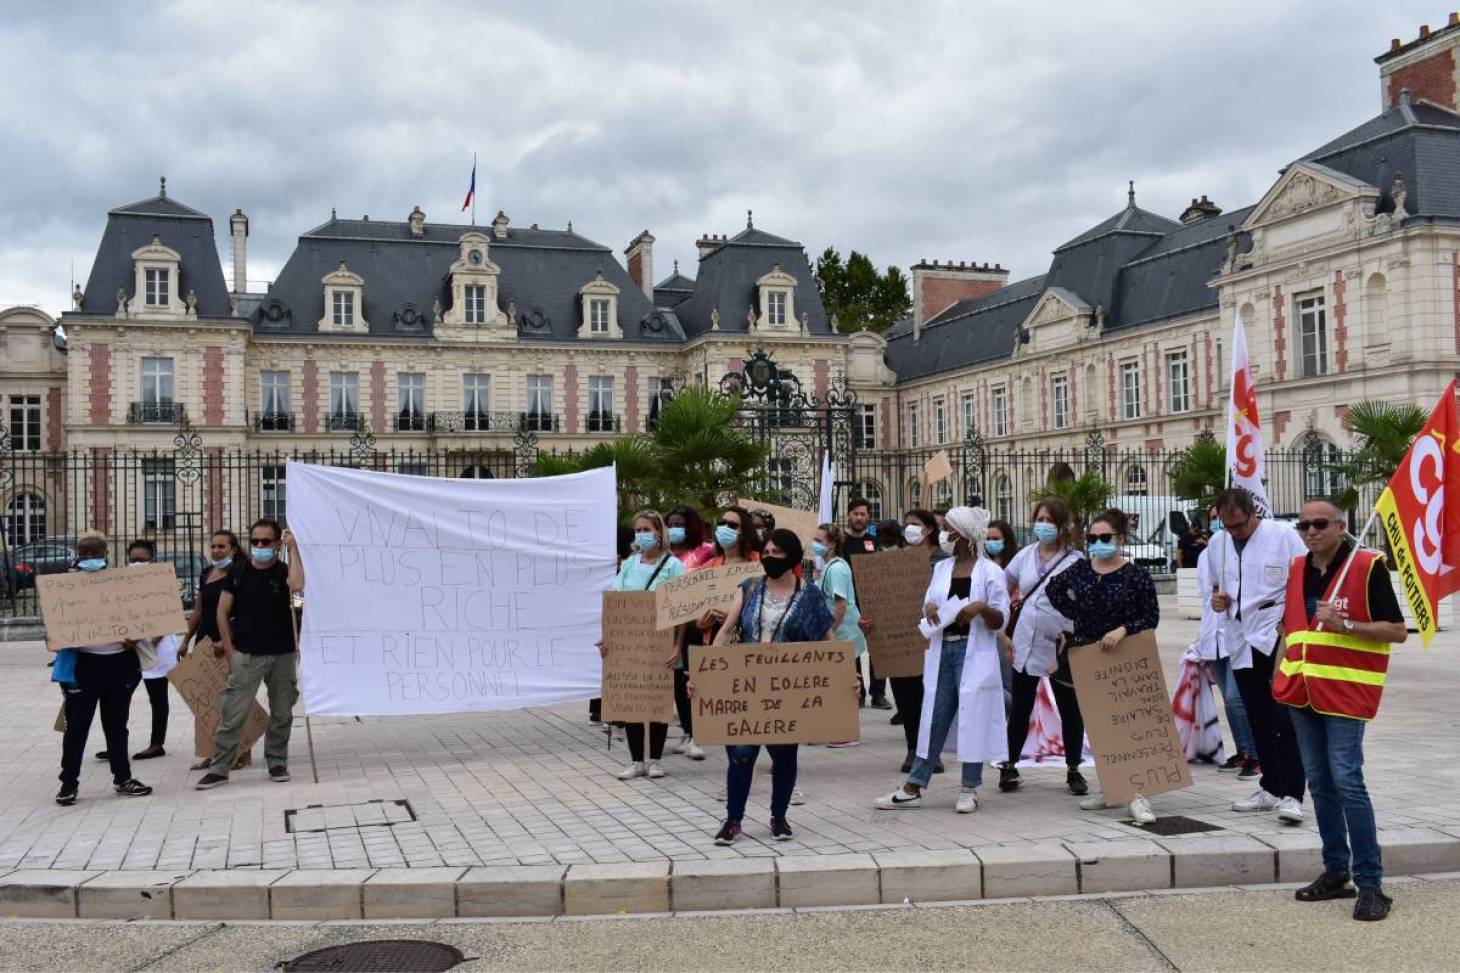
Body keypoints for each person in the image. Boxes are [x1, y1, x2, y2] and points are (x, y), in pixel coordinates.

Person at [1272, 500, 1407, 921]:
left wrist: (1344, 625)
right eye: (1303, 524)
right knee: (1319, 781)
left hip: (1346, 693)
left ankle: (1371, 883)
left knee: (1347, 780)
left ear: (1340, 526)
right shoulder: (1298, 568)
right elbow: (1289, 626)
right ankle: (1335, 872)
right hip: (1303, 691)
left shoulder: (1367, 567)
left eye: (1320, 524)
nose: (1311, 531)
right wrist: (1278, 676)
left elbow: (1397, 631)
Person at [874, 506, 1008, 814]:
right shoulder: (942, 568)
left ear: (963, 534)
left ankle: (969, 787)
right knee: (934, 716)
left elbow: (1000, 619)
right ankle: (914, 785)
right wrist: (930, 609)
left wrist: (980, 608)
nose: (943, 533)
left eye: (948, 528)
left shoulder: (990, 572)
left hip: (972, 650)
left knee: (972, 715)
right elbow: (929, 603)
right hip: (943, 648)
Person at [708, 528, 838, 845]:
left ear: (791, 556)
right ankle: (733, 820)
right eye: (765, 552)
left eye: (776, 552)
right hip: (746, 686)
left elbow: (826, 639)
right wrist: (706, 672)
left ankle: (779, 817)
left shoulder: (809, 595)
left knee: (784, 756)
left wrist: (845, 675)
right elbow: (726, 631)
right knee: (740, 754)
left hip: (787, 690)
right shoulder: (749, 588)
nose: (769, 557)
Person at [1046, 507, 1160, 824]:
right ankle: (1111, 787)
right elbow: (1053, 589)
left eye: (1104, 537)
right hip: (1087, 653)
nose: (1098, 543)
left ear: (1120, 538)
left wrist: (1123, 629)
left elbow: (1151, 616)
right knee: (1098, 728)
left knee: (1125, 727)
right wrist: (1076, 614)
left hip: (1122, 657)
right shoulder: (1082, 570)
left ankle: (1137, 794)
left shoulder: (1135, 575)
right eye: (1093, 538)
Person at [1208, 487, 1309, 823]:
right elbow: (1215, 586)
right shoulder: (1218, 544)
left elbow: (1302, 582)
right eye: (1229, 526)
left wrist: (1290, 624)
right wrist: (1216, 600)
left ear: (1254, 514)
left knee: (1283, 717)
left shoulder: (1282, 536)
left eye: (1240, 525)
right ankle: (1271, 786)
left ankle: (1293, 792)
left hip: (1274, 635)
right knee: (1257, 716)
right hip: (1240, 638)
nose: (1236, 532)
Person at [194, 518, 305, 790]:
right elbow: (222, 611)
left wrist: (294, 551)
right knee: (233, 712)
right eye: (255, 541)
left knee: (282, 712)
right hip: (246, 654)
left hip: (282, 654)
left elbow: (299, 588)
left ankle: (277, 761)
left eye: (266, 542)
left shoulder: (284, 571)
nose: (259, 546)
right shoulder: (238, 572)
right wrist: (229, 648)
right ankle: (220, 767)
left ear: (277, 544)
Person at [55, 533, 154, 805]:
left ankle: (123, 778)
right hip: (83, 667)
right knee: (76, 728)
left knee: (117, 726)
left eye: (96, 553)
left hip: (119, 663)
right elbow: (54, 627)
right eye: (85, 554)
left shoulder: (120, 584)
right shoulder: (64, 587)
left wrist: (135, 636)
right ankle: (68, 784)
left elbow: (141, 616)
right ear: (78, 555)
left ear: (106, 555)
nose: (90, 559)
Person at [1000, 499, 1085, 795]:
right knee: (1021, 706)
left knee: (1070, 708)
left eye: (1050, 519)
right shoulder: (1024, 556)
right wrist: (1002, 632)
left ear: (1062, 525)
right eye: (1040, 518)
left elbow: (1086, 602)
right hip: (1026, 641)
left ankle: (1073, 768)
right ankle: (1009, 765)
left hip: (1062, 644)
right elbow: (1002, 587)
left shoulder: (1076, 561)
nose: (1044, 524)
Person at [601, 510, 685, 780]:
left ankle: (656, 760)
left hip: (661, 642)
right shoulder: (628, 564)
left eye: (647, 529)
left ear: (659, 533)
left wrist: (677, 646)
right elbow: (616, 603)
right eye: (638, 530)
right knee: (633, 700)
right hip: (630, 643)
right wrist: (608, 637)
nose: (641, 535)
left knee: (658, 699)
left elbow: (681, 610)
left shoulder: (673, 566)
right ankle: (637, 760)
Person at [676, 507, 763, 760]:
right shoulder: (710, 566)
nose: (725, 528)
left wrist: (738, 614)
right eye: (722, 522)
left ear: (744, 531)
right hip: (718, 645)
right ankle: (737, 767)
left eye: (732, 525)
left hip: (751, 646)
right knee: (728, 711)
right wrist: (700, 623)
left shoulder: (758, 563)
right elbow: (695, 612)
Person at [1195, 506, 1258, 776]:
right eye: (1214, 520)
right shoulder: (1206, 554)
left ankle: (1257, 753)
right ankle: (1243, 751)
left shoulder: (1246, 554)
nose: (1218, 526)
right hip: (1212, 637)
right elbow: (1205, 594)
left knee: (1237, 697)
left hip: (1238, 635)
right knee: (1228, 699)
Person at [103, 539, 179, 762]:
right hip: (129, 650)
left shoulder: (162, 584)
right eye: (134, 560)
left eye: (142, 560)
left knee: (157, 698)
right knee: (119, 698)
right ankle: (116, 744)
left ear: (152, 560)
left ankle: (157, 743)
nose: (137, 564)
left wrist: (147, 645)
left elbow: (166, 620)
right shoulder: (123, 585)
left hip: (156, 650)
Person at [881, 509, 942, 759]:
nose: (909, 529)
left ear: (928, 529)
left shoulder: (942, 560)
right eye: (906, 524)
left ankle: (931, 751)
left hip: (932, 637)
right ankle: (912, 748)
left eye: (915, 524)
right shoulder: (897, 559)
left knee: (929, 696)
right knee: (905, 697)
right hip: (901, 637)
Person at [183, 529, 244, 770]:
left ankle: (239, 753)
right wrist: (185, 639)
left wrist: (227, 642)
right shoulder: (206, 573)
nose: (217, 551)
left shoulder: (240, 574)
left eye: (222, 547)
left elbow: (246, 613)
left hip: (227, 644)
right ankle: (211, 752)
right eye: (214, 547)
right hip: (204, 642)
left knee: (231, 702)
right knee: (205, 702)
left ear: (234, 550)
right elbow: (198, 610)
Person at [813, 523, 867, 748]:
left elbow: (841, 604)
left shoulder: (835, 569)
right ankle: (835, 728)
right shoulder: (831, 566)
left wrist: (830, 633)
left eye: (819, 540)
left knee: (845, 683)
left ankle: (846, 733)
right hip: (840, 632)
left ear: (832, 543)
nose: (815, 544)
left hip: (842, 633)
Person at [840, 496, 889, 710]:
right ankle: (857, 692)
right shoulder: (841, 542)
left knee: (878, 647)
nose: (859, 518)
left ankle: (878, 694)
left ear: (868, 516)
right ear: (849, 515)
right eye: (855, 514)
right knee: (853, 648)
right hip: (850, 602)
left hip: (874, 601)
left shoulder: (874, 542)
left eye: (863, 514)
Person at [984, 517, 1019, 714]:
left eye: (996, 538)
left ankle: (1015, 720)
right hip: (988, 632)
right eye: (987, 538)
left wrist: (1003, 635)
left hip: (1009, 632)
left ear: (1007, 540)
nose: (991, 542)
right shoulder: (982, 564)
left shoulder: (1014, 565)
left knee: (1008, 685)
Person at [667, 505, 717, 570]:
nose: (673, 529)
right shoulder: (661, 554)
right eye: (669, 525)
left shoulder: (708, 550)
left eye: (678, 525)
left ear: (690, 526)